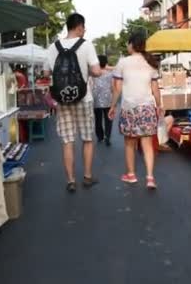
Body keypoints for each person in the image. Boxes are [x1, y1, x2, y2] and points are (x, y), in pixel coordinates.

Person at [43, 13, 102, 192]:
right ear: (78, 27)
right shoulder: (86, 45)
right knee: (87, 139)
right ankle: (87, 177)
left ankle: (70, 181)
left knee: (67, 141)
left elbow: (46, 74)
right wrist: (87, 73)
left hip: (62, 99)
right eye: (83, 28)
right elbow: (97, 71)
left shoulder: (53, 47)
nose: (84, 31)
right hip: (83, 98)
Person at [109, 32, 163, 190]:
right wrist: (159, 106)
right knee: (147, 143)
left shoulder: (123, 63)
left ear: (131, 44)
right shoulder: (150, 63)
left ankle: (131, 175)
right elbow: (155, 88)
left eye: (127, 43)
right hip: (147, 107)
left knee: (129, 143)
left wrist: (112, 106)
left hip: (129, 108)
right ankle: (150, 178)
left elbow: (117, 88)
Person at [92, 55, 113, 145]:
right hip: (108, 99)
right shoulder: (110, 74)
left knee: (98, 119)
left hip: (96, 99)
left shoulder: (94, 74)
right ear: (106, 63)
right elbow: (112, 87)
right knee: (108, 119)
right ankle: (107, 136)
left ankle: (100, 137)